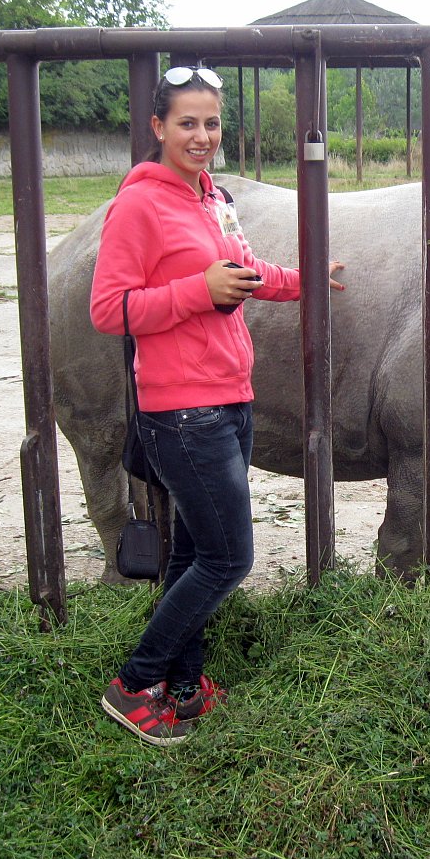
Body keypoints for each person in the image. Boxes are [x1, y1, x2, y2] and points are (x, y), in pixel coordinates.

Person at [89, 65, 345, 746]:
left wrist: (304, 281)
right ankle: (134, 683)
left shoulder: (212, 199)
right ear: (158, 127)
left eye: (211, 123)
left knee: (196, 550)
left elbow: (241, 273)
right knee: (229, 559)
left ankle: (182, 686)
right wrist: (196, 292)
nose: (201, 136)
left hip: (230, 400)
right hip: (182, 411)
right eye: (187, 123)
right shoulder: (139, 205)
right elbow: (109, 309)